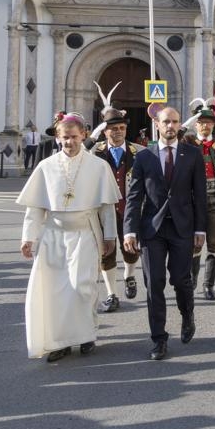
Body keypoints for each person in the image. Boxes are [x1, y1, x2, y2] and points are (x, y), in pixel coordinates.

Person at [17, 113, 120, 362]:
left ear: (83, 135)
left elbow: (106, 207)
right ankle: (59, 342)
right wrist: (28, 238)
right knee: (54, 290)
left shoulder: (98, 166)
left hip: (85, 233)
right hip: (53, 235)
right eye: (65, 138)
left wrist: (110, 237)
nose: (69, 142)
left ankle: (86, 335)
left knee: (81, 287)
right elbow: (35, 209)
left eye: (74, 137)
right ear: (57, 138)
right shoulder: (46, 166)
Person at [122, 107, 207, 361]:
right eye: (166, 122)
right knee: (154, 284)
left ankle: (187, 313)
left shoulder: (192, 154)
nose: (170, 126)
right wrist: (130, 231)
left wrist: (200, 228)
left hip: (182, 228)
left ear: (180, 125)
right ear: (157, 125)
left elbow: (199, 196)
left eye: (175, 122)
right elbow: (135, 196)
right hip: (152, 230)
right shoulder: (144, 157)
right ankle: (158, 338)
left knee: (182, 281)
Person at [88, 107, 143, 313]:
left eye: (121, 128)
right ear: (105, 131)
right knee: (106, 253)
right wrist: (91, 138)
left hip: (130, 210)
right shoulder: (95, 151)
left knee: (131, 249)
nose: (118, 132)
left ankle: (129, 275)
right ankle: (112, 294)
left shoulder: (139, 151)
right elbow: (77, 155)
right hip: (103, 212)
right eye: (113, 129)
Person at [183, 105, 215, 301]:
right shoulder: (188, 142)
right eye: (201, 122)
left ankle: (209, 285)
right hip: (193, 202)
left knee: (214, 244)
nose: (204, 126)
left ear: (214, 125)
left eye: (208, 122)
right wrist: (188, 124)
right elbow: (172, 135)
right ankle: (192, 281)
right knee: (194, 244)